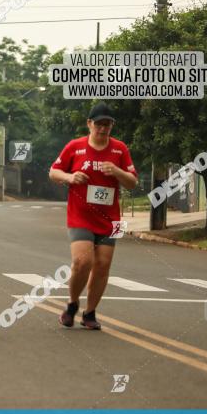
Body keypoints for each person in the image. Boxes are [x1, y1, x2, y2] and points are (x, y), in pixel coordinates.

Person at [49, 102, 138, 330]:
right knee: (82, 261)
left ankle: (89, 313)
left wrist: (117, 171)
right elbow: (53, 171)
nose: (102, 129)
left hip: (111, 219)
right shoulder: (75, 146)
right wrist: (70, 178)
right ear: (89, 124)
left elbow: (133, 182)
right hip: (80, 215)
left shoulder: (120, 149)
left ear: (112, 126)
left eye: (107, 124)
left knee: (103, 265)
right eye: (99, 124)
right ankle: (71, 304)